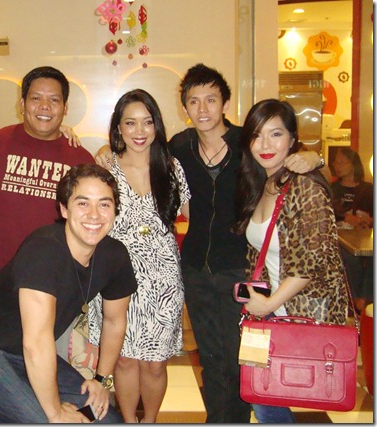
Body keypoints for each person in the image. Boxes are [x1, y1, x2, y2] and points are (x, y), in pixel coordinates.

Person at [95, 63, 320, 423]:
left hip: (239, 269)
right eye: (194, 101)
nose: (202, 109)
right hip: (196, 270)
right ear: (184, 106)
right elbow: (138, 149)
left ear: (225, 103)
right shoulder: (180, 148)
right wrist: (105, 150)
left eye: (211, 100)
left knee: (243, 359)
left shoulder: (248, 142)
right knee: (211, 360)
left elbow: (285, 157)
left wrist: (314, 157)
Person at [0, 163, 137, 423]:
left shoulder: (114, 255)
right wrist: (55, 412)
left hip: (28, 355)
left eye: (104, 204)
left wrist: (101, 380)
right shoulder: (43, 250)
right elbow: (36, 342)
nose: (94, 215)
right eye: (83, 203)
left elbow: (115, 321)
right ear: (64, 209)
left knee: (103, 419)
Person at [233, 98, 350, 423]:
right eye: (257, 135)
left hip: (296, 309)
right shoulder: (263, 183)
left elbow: (311, 263)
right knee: (263, 397)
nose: (265, 145)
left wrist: (269, 305)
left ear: (292, 139)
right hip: (270, 311)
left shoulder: (306, 187)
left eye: (276, 134)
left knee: (269, 400)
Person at [88, 89, 190, 423]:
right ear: (118, 127)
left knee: (155, 363)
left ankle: (151, 420)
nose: (139, 131)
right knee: (123, 359)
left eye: (147, 122)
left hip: (163, 280)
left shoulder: (171, 167)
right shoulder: (105, 167)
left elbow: (196, 214)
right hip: (117, 275)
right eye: (130, 123)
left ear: (157, 125)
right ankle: (129, 420)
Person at [0, 66, 95, 297]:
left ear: (65, 108)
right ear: (22, 104)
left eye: (54, 100)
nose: (45, 106)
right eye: (36, 98)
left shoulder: (80, 159)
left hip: (56, 281)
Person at [329, 147, 373, 311]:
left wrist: (368, 220)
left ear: (353, 164)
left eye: (341, 162)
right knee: (350, 257)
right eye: (335, 163)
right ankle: (357, 299)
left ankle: (365, 298)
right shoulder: (332, 189)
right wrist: (346, 218)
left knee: (372, 257)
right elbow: (328, 213)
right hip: (340, 237)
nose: (337, 166)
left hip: (363, 236)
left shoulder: (368, 189)